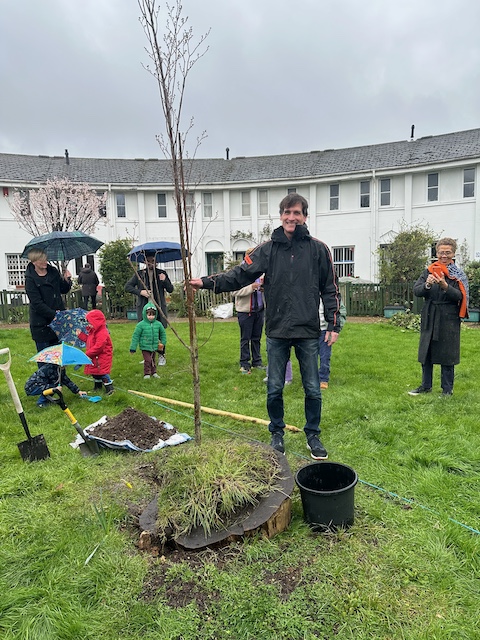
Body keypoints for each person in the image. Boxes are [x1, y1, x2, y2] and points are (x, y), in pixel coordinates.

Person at [190, 193, 342, 460]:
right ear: (281, 216)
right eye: (287, 212)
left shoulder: (319, 250)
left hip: (308, 331)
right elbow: (240, 275)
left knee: (312, 388)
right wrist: (207, 282)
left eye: (297, 213)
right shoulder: (267, 250)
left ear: (305, 216)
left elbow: (330, 289)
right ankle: (277, 432)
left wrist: (333, 324)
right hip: (277, 331)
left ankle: (313, 435)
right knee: (274, 387)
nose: (291, 217)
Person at [408, 237, 469, 397]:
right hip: (430, 314)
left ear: (453, 254)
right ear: (436, 253)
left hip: (449, 317)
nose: (444, 256)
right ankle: (425, 386)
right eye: (441, 252)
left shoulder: (458, 274)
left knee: (447, 353)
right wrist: (427, 284)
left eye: (448, 252)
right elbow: (417, 291)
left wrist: (445, 286)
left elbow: (459, 296)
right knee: (426, 351)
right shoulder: (429, 271)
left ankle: (447, 389)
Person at [125, 252, 173, 365]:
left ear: (156, 262)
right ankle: (148, 357)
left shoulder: (161, 273)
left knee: (159, 332)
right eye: (148, 261)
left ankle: (161, 355)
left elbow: (170, 289)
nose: (151, 263)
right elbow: (127, 287)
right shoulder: (140, 274)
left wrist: (164, 280)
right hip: (144, 308)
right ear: (145, 261)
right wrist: (140, 292)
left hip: (158, 308)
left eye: (153, 261)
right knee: (145, 333)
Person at [24, 249, 72, 355]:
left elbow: (63, 289)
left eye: (45, 259)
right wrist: (54, 314)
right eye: (42, 260)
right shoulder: (30, 279)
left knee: (58, 358)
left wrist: (67, 280)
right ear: (34, 262)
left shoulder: (53, 271)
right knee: (44, 359)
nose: (45, 262)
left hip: (58, 323)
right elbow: (37, 304)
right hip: (41, 324)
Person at [234, 266, 266, 374]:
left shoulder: (261, 275)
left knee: (257, 338)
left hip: (259, 311)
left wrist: (263, 288)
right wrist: (251, 288)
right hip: (245, 312)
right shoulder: (240, 276)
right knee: (245, 339)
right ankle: (244, 364)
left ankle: (257, 362)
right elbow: (234, 292)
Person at [79, 309, 114, 395]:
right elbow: (89, 340)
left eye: (90, 323)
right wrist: (80, 335)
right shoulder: (93, 331)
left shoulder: (102, 332)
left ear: (96, 322)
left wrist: (87, 354)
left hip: (102, 357)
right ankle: (97, 387)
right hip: (95, 357)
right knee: (95, 373)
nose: (89, 325)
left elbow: (99, 347)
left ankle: (109, 388)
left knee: (102, 373)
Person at [129, 302, 168, 379]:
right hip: (145, 346)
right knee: (148, 360)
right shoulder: (140, 325)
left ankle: (154, 372)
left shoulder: (158, 324)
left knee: (153, 360)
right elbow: (135, 336)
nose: (151, 317)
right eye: (149, 315)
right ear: (145, 314)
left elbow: (163, 334)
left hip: (154, 346)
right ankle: (147, 373)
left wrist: (163, 343)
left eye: (153, 315)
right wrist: (133, 347)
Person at [318, 299, 347, 389]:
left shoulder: (330, 295)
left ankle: (323, 379)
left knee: (325, 356)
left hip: (325, 331)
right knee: (309, 357)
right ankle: (310, 379)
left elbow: (341, 311)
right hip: (309, 330)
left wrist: (336, 328)